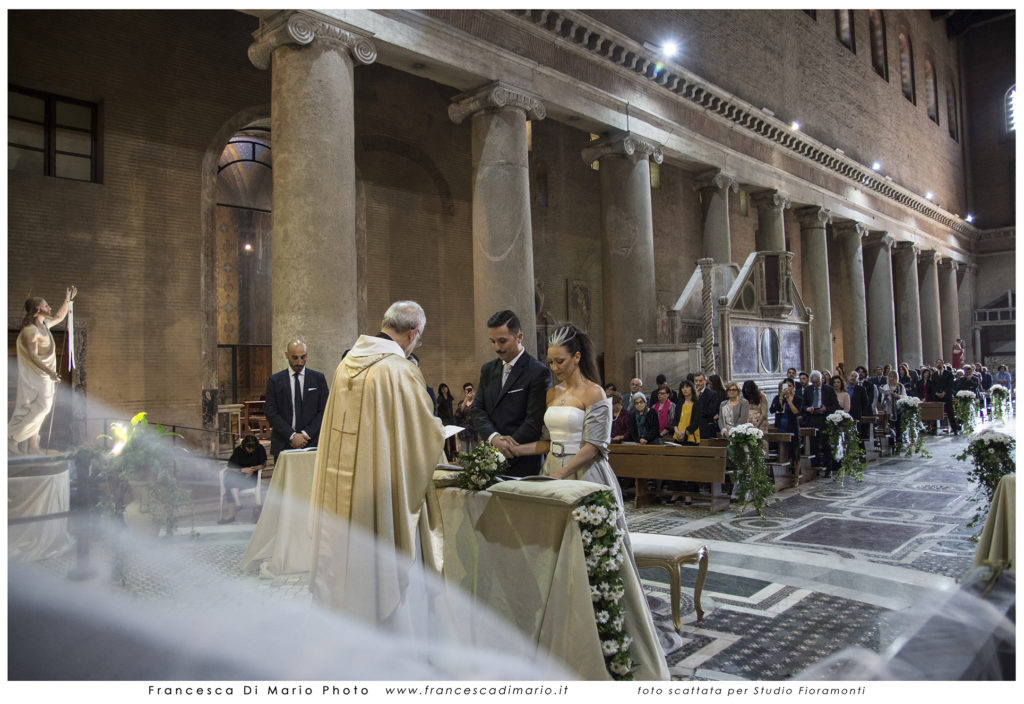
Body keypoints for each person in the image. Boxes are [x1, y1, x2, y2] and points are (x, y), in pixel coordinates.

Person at [507, 324, 670, 680]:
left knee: (593, 556)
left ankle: (605, 634)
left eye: (560, 361)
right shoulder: (552, 395)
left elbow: (595, 446)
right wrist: (517, 448)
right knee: (556, 556)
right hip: (554, 472)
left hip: (585, 476)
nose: (554, 368)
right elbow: (548, 442)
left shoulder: (596, 393)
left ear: (577, 356)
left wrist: (561, 476)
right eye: (550, 362)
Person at [308, 300, 445, 622]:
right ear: (413, 333)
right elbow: (424, 432)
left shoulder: (345, 366)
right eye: (420, 338)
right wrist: (439, 430)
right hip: (380, 488)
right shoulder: (397, 370)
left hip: (342, 488)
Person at [470, 310, 551, 476]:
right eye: (492, 341)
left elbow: (533, 421)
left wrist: (506, 447)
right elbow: (477, 409)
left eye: (502, 341)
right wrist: (493, 438)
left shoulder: (537, 371)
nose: (496, 348)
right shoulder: (488, 369)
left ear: (519, 337)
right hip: (491, 456)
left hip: (523, 461)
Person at [8, 287, 77, 455]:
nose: (49, 308)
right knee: (41, 408)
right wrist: (50, 372)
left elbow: (60, 316)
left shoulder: (44, 325)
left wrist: (67, 299)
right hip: (36, 377)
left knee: (42, 409)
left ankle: (33, 445)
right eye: (46, 306)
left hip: (46, 377)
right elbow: (32, 356)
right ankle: (11, 438)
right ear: (37, 309)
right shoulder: (29, 331)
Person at [264, 339, 329, 461]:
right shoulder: (275, 381)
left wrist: (305, 434)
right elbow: (270, 411)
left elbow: (325, 410)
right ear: (287, 355)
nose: (299, 362)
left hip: (312, 442)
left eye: (303, 357)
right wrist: (291, 436)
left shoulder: (317, 378)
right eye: (295, 358)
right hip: (284, 442)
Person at [220, 434, 267, 524]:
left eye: (253, 449)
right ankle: (237, 504)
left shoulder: (260, 449)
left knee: (229, 483)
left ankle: (231, 513)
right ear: (244, 446)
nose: (251, 451)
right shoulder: (238, 450)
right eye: (249, 449)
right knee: (230, 478)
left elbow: (263, 464)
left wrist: (253, 469)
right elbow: (230, 467)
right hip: (239, 475)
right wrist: (242, 470)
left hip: (252, 478)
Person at [800, 370, 839, 469]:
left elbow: (835, 406)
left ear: (821, 379)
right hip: (812, 419)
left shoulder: (829, 389)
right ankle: (815, 467)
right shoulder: (808, 390)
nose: (816, 385)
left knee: (826, 445)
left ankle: (828, 468)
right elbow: (803, 406)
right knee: (813, 445)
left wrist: (826, 409)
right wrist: (808, 409)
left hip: (824, 419)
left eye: (818, 382)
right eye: (814, 383)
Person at [769, 378, 802, 464]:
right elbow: (776, 409)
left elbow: (795, 412)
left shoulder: (798, 399)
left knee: (795, 451)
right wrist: (781, 397)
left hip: (792, 425)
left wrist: (789, 400)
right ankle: (784, 469)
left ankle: (796, 473)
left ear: (794, 387)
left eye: (790, 386)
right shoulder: (778, 398)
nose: (787, 388)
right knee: (782, 449)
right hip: (781, 425)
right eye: (785, 386)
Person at [690, 372, 719, 440]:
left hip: (706, 429)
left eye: (700, 381)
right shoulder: (690, 395)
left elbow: (710, 411)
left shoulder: (712, 394)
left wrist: (697, 399)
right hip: (692, 429)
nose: (698, 383)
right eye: (696, 381)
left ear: (705, 381)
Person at [672, 379, 700, 444]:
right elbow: (675, 420)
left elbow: (696, 422)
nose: (684, 389)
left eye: (687, 387)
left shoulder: (696, 404)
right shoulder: (679, 404)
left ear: (691, 388)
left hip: (691, 436)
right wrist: (677, 431)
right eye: (682, 387)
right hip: (678, 435)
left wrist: (685, 432)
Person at [454, 382, 478, 454]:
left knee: (475, 452)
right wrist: (466, 400)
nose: (469, 391)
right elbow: (458, 415)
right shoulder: (461, 403)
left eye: (470, 389)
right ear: (464, 391)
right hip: (464, 430)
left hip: (474, 430)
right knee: (465, 453)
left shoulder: (476, 402)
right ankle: (465, 465)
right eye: (467, 390)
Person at [436, 383, 457, 459]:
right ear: (441, 390)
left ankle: (453, 453)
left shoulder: (450, 397)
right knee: (445, 437)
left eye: (445, 387)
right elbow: (436, 407)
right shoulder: (440, 398)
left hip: (450, 419)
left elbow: (451, 408)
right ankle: (446, 455)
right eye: (443, 388)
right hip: (444, 420)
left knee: (452, 438)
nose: (445, 389)